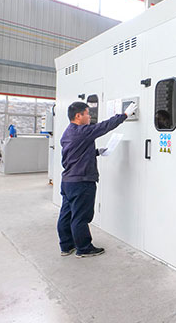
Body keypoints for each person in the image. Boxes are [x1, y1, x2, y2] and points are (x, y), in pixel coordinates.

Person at [57, 101, 137, 258]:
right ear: (78, 116)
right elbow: (104, 126)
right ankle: (84, 248)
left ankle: (66, 246)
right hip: (81, 182)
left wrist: (96, 152)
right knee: (80, 217)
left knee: (66, 214)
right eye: (87, 114)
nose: (89, 117)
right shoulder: (83, 131)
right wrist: (125, 115)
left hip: (68, 181)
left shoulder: (68, 132)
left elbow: (75, 154)